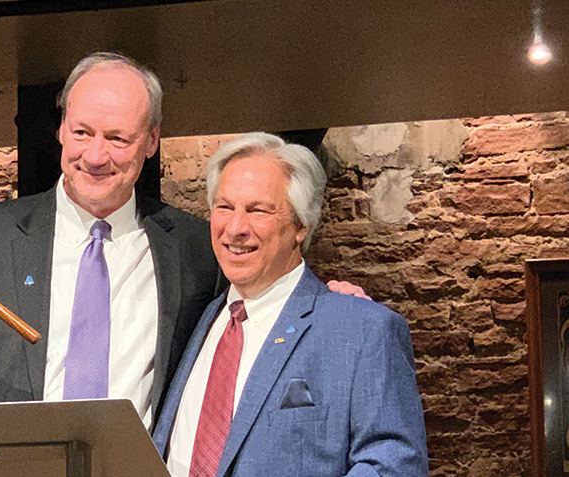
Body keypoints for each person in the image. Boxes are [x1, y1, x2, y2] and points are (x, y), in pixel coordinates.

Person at [0, 52, 367, 430]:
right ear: (61, 129)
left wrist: (328, 305)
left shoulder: (195, 249)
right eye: (81, 133)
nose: (96, 156)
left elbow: (263, 307)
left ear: (152, 139)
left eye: (118, 138)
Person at [151, 133, 428, 476]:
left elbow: (393, 466)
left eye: (258, 210)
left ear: (301, 224)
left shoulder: (362, 331)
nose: (236, 227)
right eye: (225, 207)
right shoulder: (200, 318)